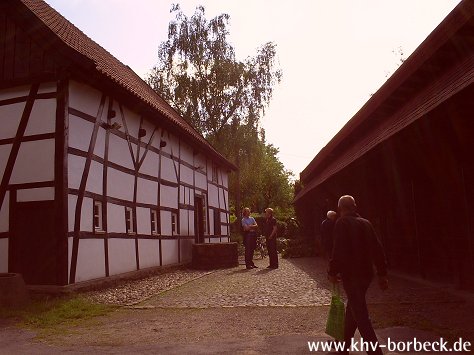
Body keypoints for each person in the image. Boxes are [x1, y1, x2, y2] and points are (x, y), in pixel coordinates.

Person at [328, 195, 388, 355]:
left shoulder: (342, 223)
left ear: (340, 208)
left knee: (361, 315)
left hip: (351, 274)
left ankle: (375, 353)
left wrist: (332, 272)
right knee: (353, 309)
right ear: (354, 207)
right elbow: (378, 248)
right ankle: (342, 346)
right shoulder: (366, 223)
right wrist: (382, 273)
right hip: (367, 274)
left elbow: (338, 250)